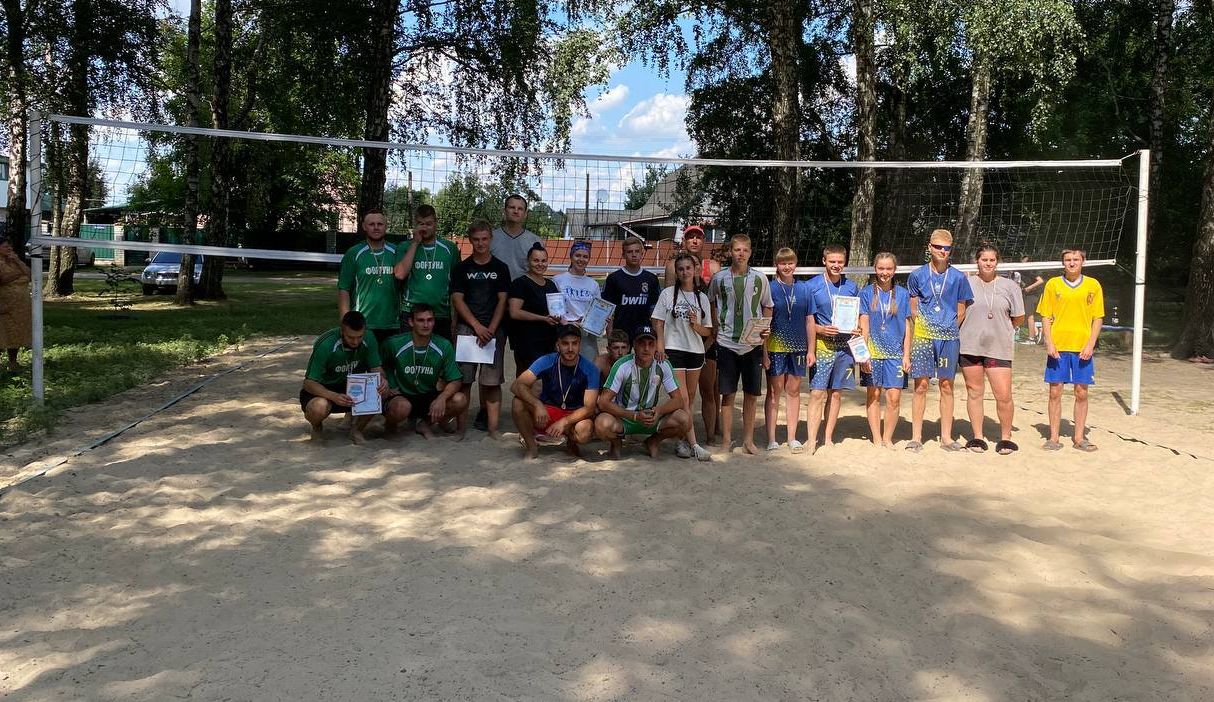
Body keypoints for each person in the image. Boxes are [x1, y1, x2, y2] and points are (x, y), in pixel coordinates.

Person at [906, 228, 974, 452]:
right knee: (921, 386)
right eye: (938, 247)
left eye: (947, 248)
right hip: (924, 336)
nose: (942, 251)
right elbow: (913, 309)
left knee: (946, 385)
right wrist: (926, 327)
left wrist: (947, 327)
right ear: (929, 247)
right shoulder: (917, 275)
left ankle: (946, 437)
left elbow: (961, 310)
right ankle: (916, 437)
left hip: (949, 338)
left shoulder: (958, 277)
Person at [708, 234, 773, 454]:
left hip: (752, 344)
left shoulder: (760, 278)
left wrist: (765, 327)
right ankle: (726, 441)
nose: (741, 254)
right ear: (730, 252)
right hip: (727, 342)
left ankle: (748, 441)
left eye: (745, 250)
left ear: (750, 252)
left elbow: (768, 305)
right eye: (737, 250)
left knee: (751, 395)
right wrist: (715, 324)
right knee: (727, 395)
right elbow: (711, 302)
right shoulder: (719, 278)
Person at [960, 245, 1025, 454]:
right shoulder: (966, 283)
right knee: (974, 392)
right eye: (984, 259)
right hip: (970, 345)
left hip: (999, 347)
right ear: (977, 262)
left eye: (992, 260)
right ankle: (978, 437)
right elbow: (959, 312)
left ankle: (1006, 438)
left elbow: (1019, 317)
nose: (988, 263)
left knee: (1003, 395)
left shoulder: (1010, 286)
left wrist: (1000, 330)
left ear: (997, 262)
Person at [1037, 248, 1104, 451]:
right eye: (1068, 260)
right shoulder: (1053, 284)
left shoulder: (1093, 285)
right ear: (1063, 263)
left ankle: (1079, 438)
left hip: (1082, 347)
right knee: (1055, 392)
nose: (1072, 263)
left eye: (1076, 259)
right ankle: (1053, 438)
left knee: (1081, 392)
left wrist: (1091, 344)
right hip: (1059, 346)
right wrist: (1049, 342)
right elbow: (1045, 316)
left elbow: (1098, 318)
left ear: (1083, 261)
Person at [450, 219, 511, 438]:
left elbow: (503, 301)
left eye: (484, 239)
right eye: (476, 239)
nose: (481, 243)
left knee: (491, 383)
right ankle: (460, 429)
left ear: (490, 239)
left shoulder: (500, 268)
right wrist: (476, 326)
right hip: (468, 331)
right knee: (464, 381)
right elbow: (457, 300)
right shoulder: (462, 268)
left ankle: (493, 430)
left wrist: (491, 329)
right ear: (470, 240)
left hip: (493, 331)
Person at [664, 224, 723, 445]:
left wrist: (711, 338)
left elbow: (717, 305)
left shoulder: (713, 267)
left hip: (706, 336)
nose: (695, 241)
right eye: (691, 237)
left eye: (699, 237)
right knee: (684, 395)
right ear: (685, 241)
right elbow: (670, 304)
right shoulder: (674, 267)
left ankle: (712, 432)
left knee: (710, 388)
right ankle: (684, 437)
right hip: (682, 340)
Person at [651, 252, 714, 461]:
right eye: (681, 269)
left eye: (688, 268)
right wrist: (660, 345)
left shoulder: (701, 298)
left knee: (691, 397)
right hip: (674, 349)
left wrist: (696, 325)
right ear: (676, 273)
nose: (685, 272)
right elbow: (658, 322)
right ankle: (694, 444)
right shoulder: (668, 294)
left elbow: (708, 331)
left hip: (695, 351)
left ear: (695, 270)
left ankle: (682, 440)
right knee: (682, 398)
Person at [595, 324, 691, 459]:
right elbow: (603, 402)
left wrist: (659, 411)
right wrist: (633, 415)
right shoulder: (622, 365)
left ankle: (653, 441)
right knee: (601, 424)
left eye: (651, 344)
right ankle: (616, 443)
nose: (646, 348)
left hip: (651, 417)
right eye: (642, 343)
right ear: (634, 345)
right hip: (624, 418)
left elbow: (678, 400)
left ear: (656, 346)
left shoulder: (663, 365)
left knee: (685, 419)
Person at [511, 325, 600, 459]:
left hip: (574, 414)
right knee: (518, 403)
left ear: (579, 345)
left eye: (574, 343)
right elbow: (516, 385)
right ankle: (531, 446)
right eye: (565, 343)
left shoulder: (590, 369)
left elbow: (589, 408)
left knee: (584, 430)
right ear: (557, 345)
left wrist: (564, 422)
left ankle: (571, 443)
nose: (570, 348)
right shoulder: (546, 360)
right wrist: (537, 404)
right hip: (547, 411)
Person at [380, 303, 469, 439]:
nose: (426, 325)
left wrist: (442, 398)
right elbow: (379, 365)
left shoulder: (444, 345)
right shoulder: (393, 343)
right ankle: (390, 426)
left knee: (460, 400)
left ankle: (425, 423)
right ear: (411, 322)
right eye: (420, 320)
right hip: (402, 395)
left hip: (428, 395)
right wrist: (390, 383)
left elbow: (455, 379)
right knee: (401, 407)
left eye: (430, 320)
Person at [805, 244, 860, 453]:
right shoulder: (812, 286)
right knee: (817, 393)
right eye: (832, 261)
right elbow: (806, 319)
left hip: (844, 347)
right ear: (824, 261)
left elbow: (858, 316)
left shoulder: (851, 286)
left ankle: (827, 437)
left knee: (836, 393)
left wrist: (856, 328)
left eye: (840, 262)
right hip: (822, 345)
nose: (836, 265)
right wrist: (820, 329)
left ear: (844, 263)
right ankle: (811, 440)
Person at [300, 311, 385, 443]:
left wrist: (383, 380)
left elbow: (377, 368)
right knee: (318, 407)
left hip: (354, 385)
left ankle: (357, 430)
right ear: (342, 331)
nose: (356, 341)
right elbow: (309, 383)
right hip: (325, 388)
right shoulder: (326, 344)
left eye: (360, 337)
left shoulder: (369, 337)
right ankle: (317, 426)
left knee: (380, 392)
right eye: (351, 337)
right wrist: (333, 396)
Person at [859, 252, 912, 449]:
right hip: (873, 352)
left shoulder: (903, 294)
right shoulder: (866, 293)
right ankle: (876, 438)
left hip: (895, 354)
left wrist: (906, 355)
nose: (884, 272)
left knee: (894, 398)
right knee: (873, 395)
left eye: (889, 268)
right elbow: (863, 324)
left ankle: (888, 438)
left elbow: (907, 326)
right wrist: (864, 355)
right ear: (875, 269)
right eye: (881, 268)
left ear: (894, 270)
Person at [763, 247, 812, 453]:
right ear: (777, 265)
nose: (787, 266)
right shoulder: (770, 287)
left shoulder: (804, 289)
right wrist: (764, 352)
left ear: (796, 264)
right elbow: (764, 323)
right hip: (776, 346)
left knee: (793, 390)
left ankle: (792, 438)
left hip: (798, 347)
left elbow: (809, 320)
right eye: (783, 263)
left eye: (790, 263)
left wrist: (811, 350)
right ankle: (772, 439)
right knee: (775, 392)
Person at [394, 204, 458, 341]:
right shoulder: (404, 247)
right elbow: (399, 274)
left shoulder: (449, 248)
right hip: (411, 313)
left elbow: (456, 287)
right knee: (409, 351)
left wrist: (455, 318)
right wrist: (415, 243)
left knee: (440, 352)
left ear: (436, 223)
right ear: (415, 224)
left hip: (440, 314)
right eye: (420, 224)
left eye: (428, 224)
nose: (424, 228)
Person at [336, 209, 399, 346]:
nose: (376, 227)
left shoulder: (396, 251)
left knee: (388, 360)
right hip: (363, 323)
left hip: (393, 323)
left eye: (380, 224)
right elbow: (344, 289)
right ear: (364, 226)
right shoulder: (354, 253)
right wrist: (345, 321)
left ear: (386, 226)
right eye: (371, 224)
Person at [507, 243, 560, 374]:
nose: (540, 264)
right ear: (528, 261)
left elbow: (557, 312)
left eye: (543, 261)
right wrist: (543, 318)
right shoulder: (520, 283)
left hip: (548, 342)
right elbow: (514, 312)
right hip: (527, 343)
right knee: (527, 381)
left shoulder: (551, 285)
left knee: (547, 380)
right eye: (536, 260)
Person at [553, 240, 602, 363]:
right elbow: (554, 308)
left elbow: (598, 311)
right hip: (564, 331)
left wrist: (601, 320)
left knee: (587, 368)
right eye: (578, 255)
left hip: (586, 334)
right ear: (571, 257)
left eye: (585, 256)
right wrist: (567, 323)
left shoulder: (593, 284)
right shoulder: (558, 280)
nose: (581, 259)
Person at [602, 237, 660, 341]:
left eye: (637, 251)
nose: (634, 255)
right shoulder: (613, 278)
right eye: (629, 252)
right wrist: (611, 339)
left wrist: (657, 339)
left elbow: (655, 312)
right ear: (623, 255)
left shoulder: (651, 279)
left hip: (644, 333)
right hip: (621, 334)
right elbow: (608, 313)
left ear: (642, 254)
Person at [490, 194, 541, 281]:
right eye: (512, 207)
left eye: (520, 209)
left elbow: (538, 272)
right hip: (495, 287)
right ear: (504, 211)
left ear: (525, 214)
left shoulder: (535, 241)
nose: (516, 211)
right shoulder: (489, 238)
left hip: (524, 288)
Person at [0, 237, 33, 372]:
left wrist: (18, 262)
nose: (9, 249)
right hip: (5, 304)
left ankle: (12, 362)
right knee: (3, 331)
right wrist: (19, 273)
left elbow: (30, 275)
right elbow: (2, 279)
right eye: (5, 246)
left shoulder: (14, 261)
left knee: (16, 333)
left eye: (10, 246)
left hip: (20, 306)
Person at [1019, 257, 1045, 344]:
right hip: (1030, 295)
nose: (1022, 262)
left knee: (1029, 316)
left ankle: (1031, 339)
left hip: (1032, 295)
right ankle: (1037, 332)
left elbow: (1040, 281)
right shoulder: (1023, 272)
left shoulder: (1031, 271)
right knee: (1027, 315)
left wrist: (1029, 288)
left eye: (1024, 261)